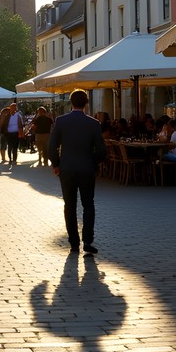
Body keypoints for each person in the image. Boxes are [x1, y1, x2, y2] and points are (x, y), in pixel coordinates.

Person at [48, 89, 107, 254]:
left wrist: (56, 164)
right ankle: (87, 241)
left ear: (71, 102)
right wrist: (93, 163)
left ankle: (74, 243)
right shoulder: (94, 123)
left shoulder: (61, 121)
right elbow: (101, 150)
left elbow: (52, 147)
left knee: (70, 205)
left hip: (66, 169)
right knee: (88, 204)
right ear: (86, 103)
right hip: (87, 169)